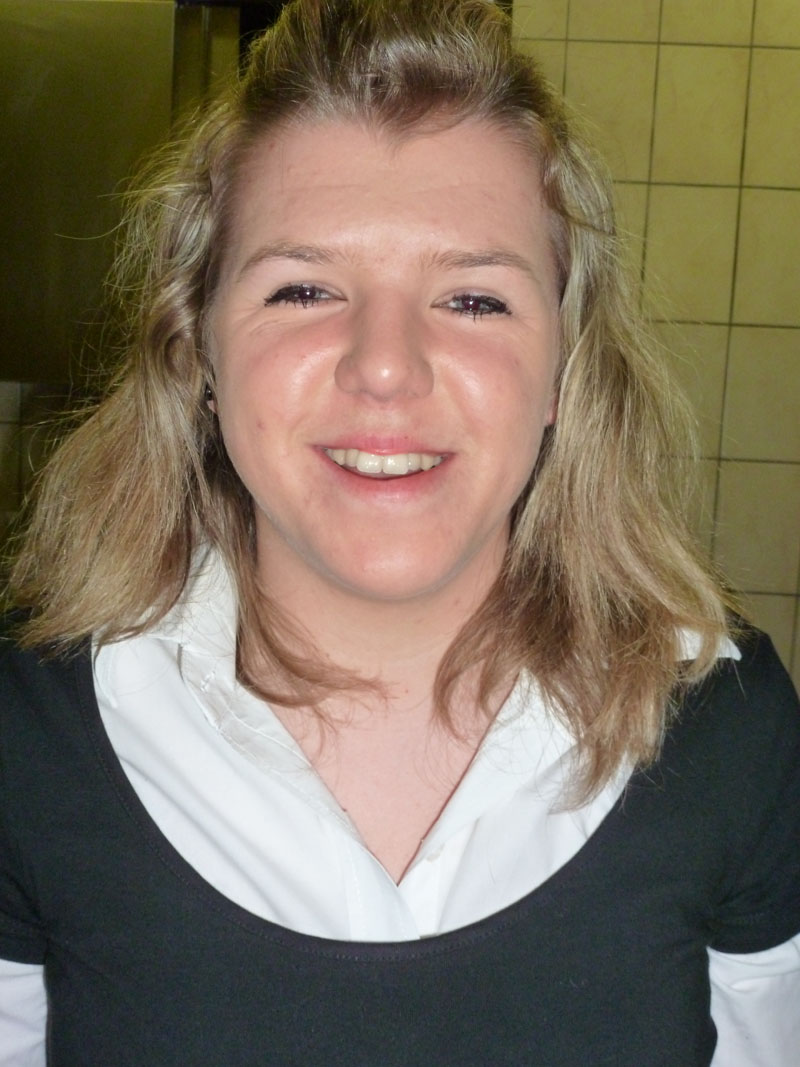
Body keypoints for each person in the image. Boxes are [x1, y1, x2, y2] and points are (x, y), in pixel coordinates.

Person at [1, 0, 798, 1063]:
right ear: (197, 353)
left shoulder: (725, 725)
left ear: (563, 369)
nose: (385, 365)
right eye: (304, 288)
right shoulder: (29, 733)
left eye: (473, 300)